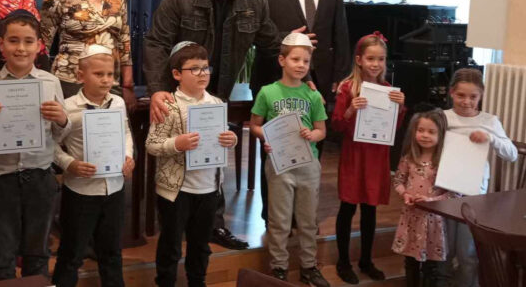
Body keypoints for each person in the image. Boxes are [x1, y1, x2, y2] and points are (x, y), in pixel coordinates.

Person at [144, 0, 283, 250]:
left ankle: (212, 225)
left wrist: (300, 75)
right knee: (175, 156)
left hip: (218, 93)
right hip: (180, 91)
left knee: (212, 157)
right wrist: (157, 90)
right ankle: (173, 224)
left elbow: (272, 45)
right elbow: (156, 42)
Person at [0, 10, 69, 280]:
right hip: (0, 179)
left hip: (40, 177)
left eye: (28, 41)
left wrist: (61, 118)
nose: (21, 48)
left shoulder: (50, 82)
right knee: (1, 254)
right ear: (1, 44)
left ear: (39, 45)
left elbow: (61, 135)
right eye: (13, 40)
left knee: (38, 252)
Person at [146, 41, 238, 287]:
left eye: (206, 68)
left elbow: (223, 137)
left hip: (208, 188)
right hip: (176, 190)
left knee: (200, 245)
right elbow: (152, 144)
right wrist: (177, 143)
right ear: (177, 74)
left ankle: (197, 282)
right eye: (194, 69)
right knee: (171, 245)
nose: (202, 74)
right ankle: (165, 282)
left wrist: (232, 139)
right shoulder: (168, 105)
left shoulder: (216, 103)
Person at [249, 32, 330, 287]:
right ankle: (279, 267)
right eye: (295, 59)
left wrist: (312, 135)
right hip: (280, 165)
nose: (301, 65)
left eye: (305, 61)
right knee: (279, 220)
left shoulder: (313, 96)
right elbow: (254, 125)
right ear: (282, 60)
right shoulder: (267, 92)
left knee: (308, 220)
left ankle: (309, 266)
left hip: (308, 164)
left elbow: (321, 130)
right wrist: (266, 135)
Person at [51, 44, 135, 287]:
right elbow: (51, 144)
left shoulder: (118, 103)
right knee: (71, 253)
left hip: (114, 189)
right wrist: (69, 164)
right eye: (98, 74)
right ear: (81, 76)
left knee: (112, 252)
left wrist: (128, 155)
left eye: (110, 74)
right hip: (81, 192)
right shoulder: (68, 107)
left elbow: (126, 132)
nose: (106, 80)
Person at [331, 32, 406, 284]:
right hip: (355, 155)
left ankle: (366, 260)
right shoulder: (348, 88)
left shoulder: (388, 90)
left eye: (381, 59)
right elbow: (337, 125)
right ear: (359, 60)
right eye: (371, 58)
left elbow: (394, 127)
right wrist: (351, 110)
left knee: (370, 208)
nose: (376, 64)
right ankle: (343, 261)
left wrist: (400, 107)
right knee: (348, 206)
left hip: (376, 156)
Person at [438, 68, 517, 287]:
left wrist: (491, 138)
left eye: (473, 96)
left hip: (474, 193)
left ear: (481, 95)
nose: (467, 101)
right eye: (461, 95)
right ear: (451, 92)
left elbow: (511, 154)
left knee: (467, 253)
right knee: (444, 249)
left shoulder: (489, 121)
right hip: (443, 191)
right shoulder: (442, 117)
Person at [392, 109, 458, 287]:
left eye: (431, 132)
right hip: (410, 218)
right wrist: (405, 194)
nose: (425, 135)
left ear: (441, 134)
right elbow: (398, 181)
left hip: (434, 221)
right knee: (410, 262)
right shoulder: (409, 158)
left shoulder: (445, 162)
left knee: (431, 266)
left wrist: (430, 201)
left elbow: (453, 194)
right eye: (421, 130)